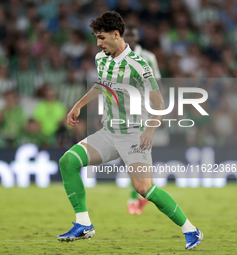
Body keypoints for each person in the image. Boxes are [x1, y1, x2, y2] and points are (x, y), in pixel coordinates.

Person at [57, 11, 204, 250]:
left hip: (134, 134)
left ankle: (191, 230)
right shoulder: (101, 59)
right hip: (108, 133)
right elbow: (101, 84)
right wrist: (78, 105)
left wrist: (150, 131)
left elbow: (159, 104)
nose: (98, 43)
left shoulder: (138, 65)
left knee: (143, 189)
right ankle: (83, 224)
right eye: (96, 38)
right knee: (68, 161)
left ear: (116, 35)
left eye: (102, 38)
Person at [124, 24, 161, 215]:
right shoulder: (113, 56)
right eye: (126, 35)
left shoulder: (148, 57)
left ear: (137, 37)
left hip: (143, 110)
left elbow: (157, 83)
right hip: (123, 111)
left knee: (137, 153)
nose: (130, 39)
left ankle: (136, 198)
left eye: (133, 35)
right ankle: (141, 195)